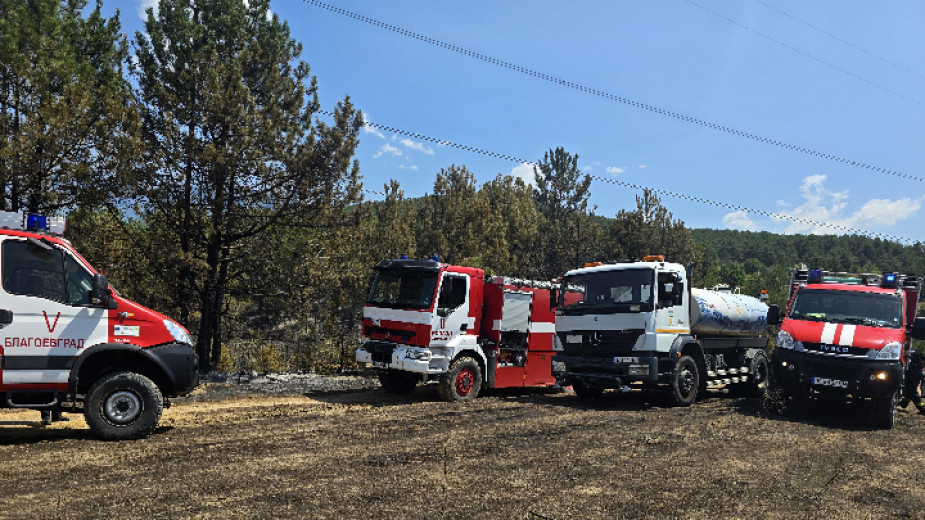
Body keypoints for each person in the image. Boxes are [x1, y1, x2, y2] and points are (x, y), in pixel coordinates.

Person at [901, 348, 925, 414]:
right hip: (916, 371)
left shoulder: (912, 351)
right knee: (909, 389)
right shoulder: (917, 352)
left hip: (913, 372)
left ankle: (922, 409)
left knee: (912, 391)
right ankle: (904, 403)